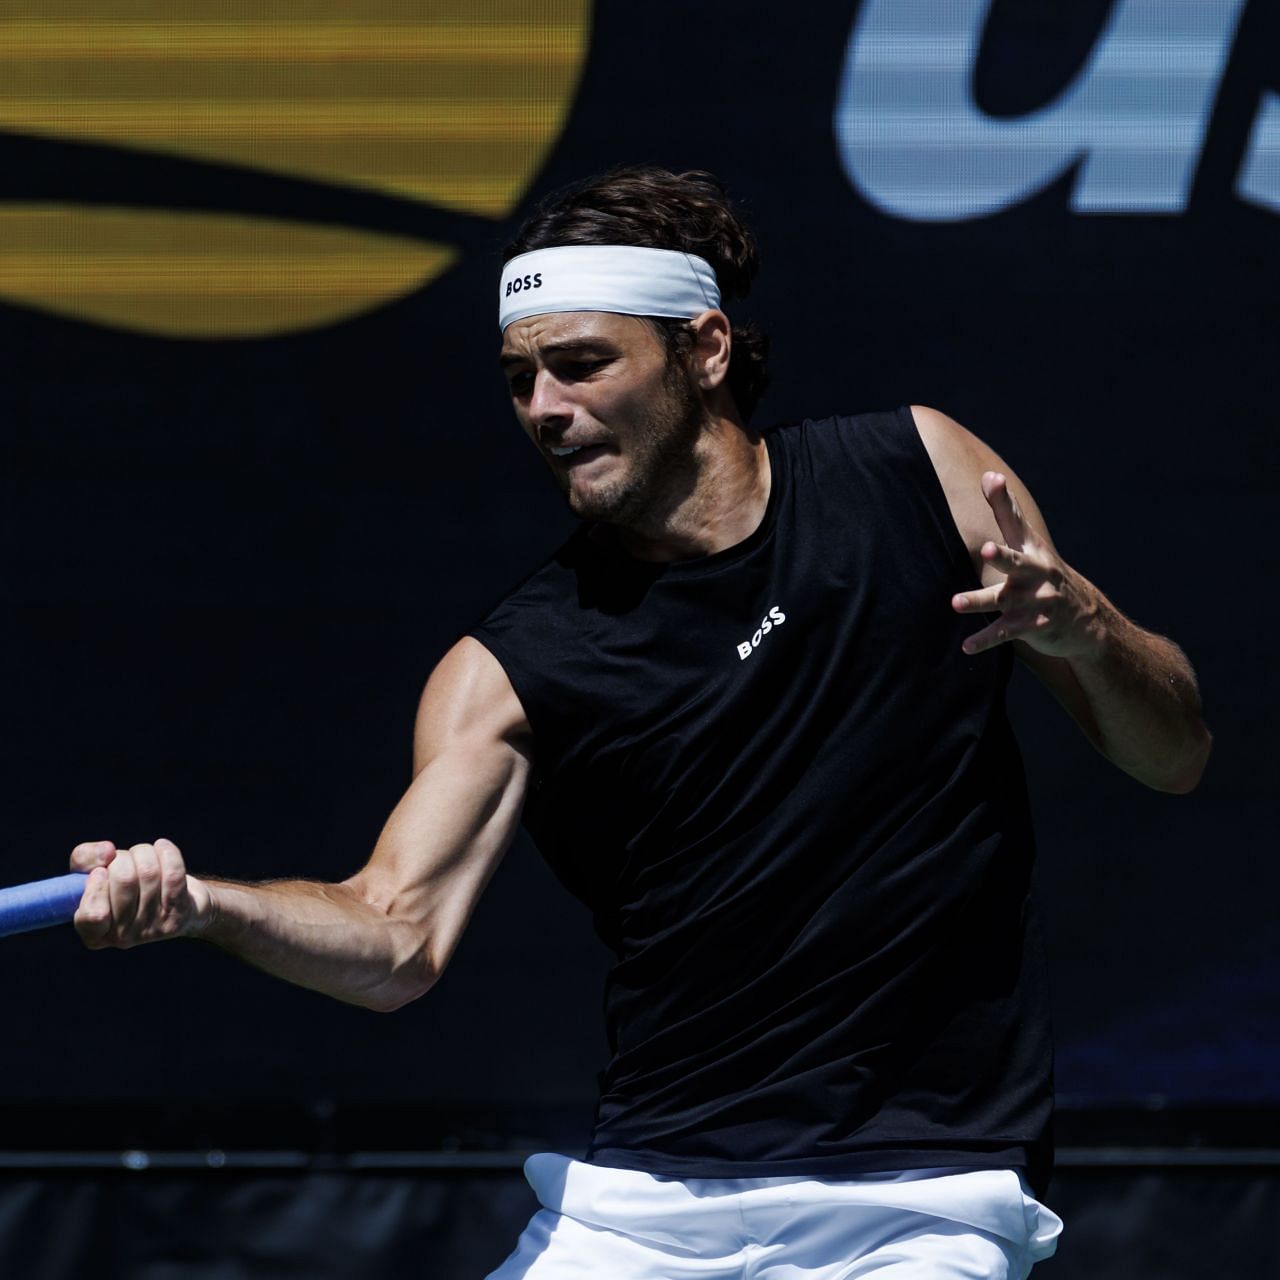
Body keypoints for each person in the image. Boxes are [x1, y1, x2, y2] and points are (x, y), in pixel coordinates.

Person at [63, 166, 1211, 1277]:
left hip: (923, 1195)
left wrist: (1087, 631)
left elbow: (1177, 753)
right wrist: (205, 903)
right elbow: (395, 936)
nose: (546, 412)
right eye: (520, 380)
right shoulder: (507, 667)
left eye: (579, 366)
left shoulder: (920, 473)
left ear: (704, 349)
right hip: (642, 1208)